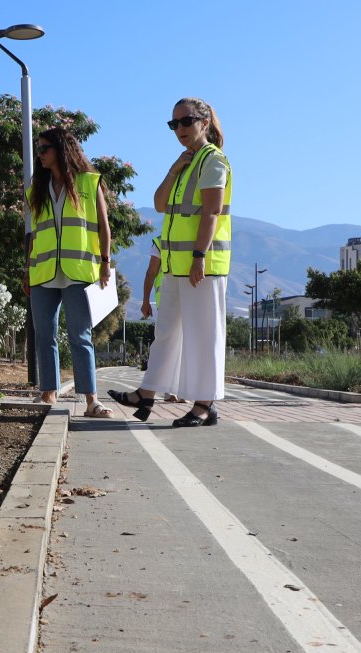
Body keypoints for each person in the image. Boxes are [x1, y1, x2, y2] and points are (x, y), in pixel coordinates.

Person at [110, 97, 232, 427]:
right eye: (173, 124)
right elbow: (160, 204)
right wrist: (173, 168)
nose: (179, 128)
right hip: (175, 267)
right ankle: (147, 393)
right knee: (166, 333)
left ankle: (205, 405)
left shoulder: (212, 160)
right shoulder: (187, 163)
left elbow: (211, 212)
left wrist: (199, 257)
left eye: (186, 121)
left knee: (204, 336)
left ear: (204, 123)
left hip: (200, 265)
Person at [23, 127, 113, 418]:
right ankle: (48, 394)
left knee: (80, 336)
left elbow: (102, 225)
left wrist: (105, 262)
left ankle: (91, 401)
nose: (39, 154)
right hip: (43, 272)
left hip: (78, 271)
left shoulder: (89, 181)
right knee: (44, 334)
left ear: (61, 149)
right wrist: (27, 269)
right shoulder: (36, 188)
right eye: (38, 149)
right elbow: (35, 234)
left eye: (44, 148)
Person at [141, 237, 185, 403]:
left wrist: (146, 300)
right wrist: (145, 300)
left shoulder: (161, 241)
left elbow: (151, 272)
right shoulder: (160, 242)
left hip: (176, 300)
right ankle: (171, 390)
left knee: (175, 345)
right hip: (170, 300)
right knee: (172, 344)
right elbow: (151, 272)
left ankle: (175, 390)